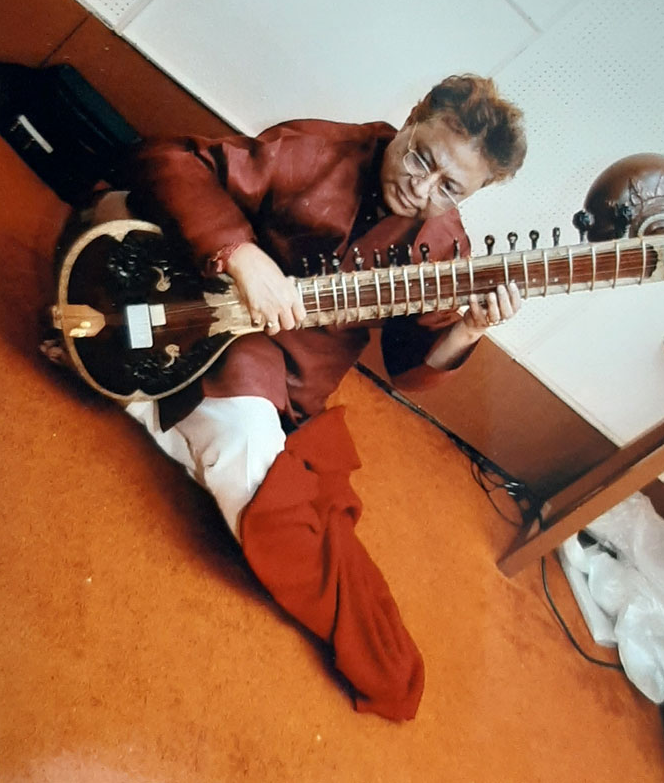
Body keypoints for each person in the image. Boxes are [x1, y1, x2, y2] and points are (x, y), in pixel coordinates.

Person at [111, 73, 527, 721]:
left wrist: (467, 329)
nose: (422, 190)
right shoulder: (318, 151)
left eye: (450, 188)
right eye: (422, 158)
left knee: (286, 494)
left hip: (295, 390)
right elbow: (167, 160)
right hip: (223, 332)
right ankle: (171, 404)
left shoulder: (442, 247)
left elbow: (409, 367)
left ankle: (152, 399)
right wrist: (242, 254)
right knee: (264, 494)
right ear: (412, 116)